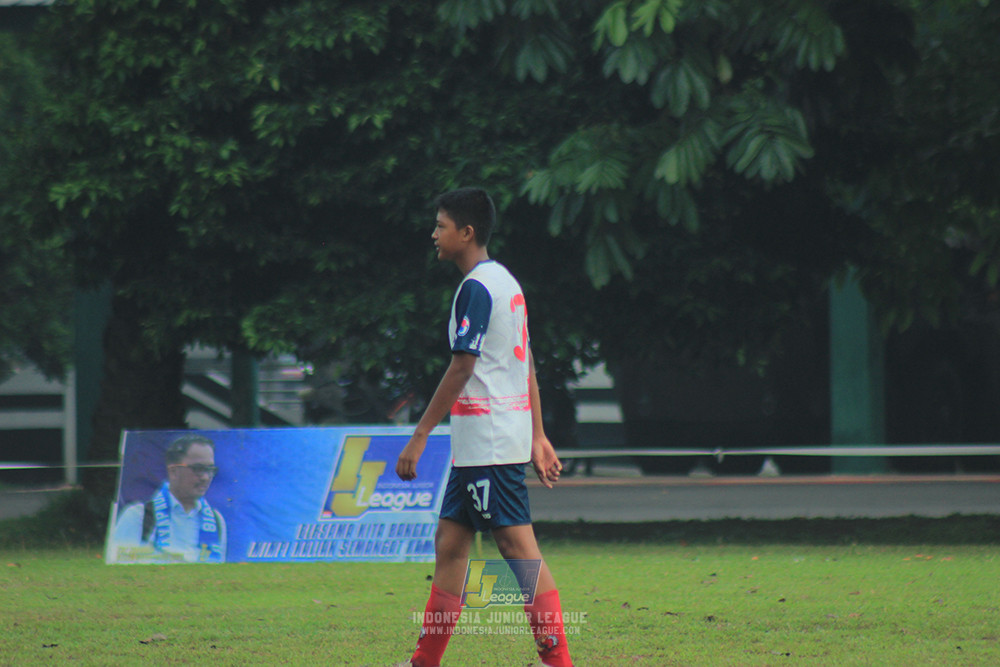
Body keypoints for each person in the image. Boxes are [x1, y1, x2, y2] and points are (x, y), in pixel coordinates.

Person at [395, 188, 573, 667]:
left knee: (519, 551)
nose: (434, 234)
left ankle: (560, 663)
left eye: (441, 225)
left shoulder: (477, 287)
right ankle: (424, 662)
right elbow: (525, 363)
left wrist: (420, 433)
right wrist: (537, 434)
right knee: (451, 547)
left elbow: (462, 367)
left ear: (466, 232)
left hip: (489, 446)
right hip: (485, 446)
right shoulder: (506, 283)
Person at [109, 434, 227, 564]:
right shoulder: (137, 516)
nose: (205, 477)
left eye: (210, 469)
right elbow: (118, 569)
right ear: (173, 472)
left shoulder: (216, 521)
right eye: (198, 469)